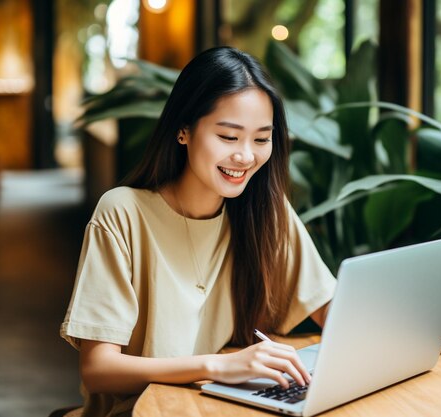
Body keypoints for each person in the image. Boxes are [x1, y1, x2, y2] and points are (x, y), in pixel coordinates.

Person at [60, 46, 337, 417]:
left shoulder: (267, 212)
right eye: (228, 136)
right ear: (183, 131)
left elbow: (334, 311)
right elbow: (99, 371)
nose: (245, 156)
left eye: (260, 139)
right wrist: (220, 366)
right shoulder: (122, 212)